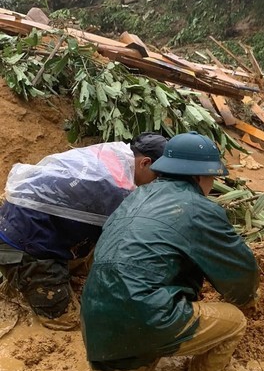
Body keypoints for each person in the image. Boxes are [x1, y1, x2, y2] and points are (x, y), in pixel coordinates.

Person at [80, 131, 259, 371]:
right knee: (234, 321)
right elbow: (241, 276)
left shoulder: (134, 198)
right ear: (199, 176)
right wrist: (245, 299)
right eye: (213, 177)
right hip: (149, 317)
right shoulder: (200, 209)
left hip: (97, 323)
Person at [0, 133, 166, 330]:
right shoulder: (116, 190)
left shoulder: (112, 155)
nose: (157, 185)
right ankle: (25, 280)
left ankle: (29, 277)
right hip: (21, 245)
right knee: (70, 320)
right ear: (145, 163)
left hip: (19, 223)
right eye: (159, 177)